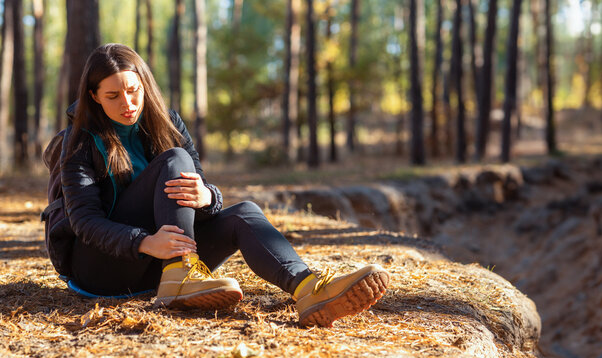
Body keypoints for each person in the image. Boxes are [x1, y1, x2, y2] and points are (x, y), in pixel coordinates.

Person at [61, 43, 390, 327]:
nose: (128, 103)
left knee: (244, 212)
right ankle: (180, 275)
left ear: (145, 85)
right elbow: (84, 222)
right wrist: (145, 242)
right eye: (113, 95)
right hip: (102, 267)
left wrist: (206, 196)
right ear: (94, 97)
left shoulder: (168, 124)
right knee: (174, 159)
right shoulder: (80, 141)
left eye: (133, 91)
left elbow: (200, 202)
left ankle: (308, 291)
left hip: (158, 265)